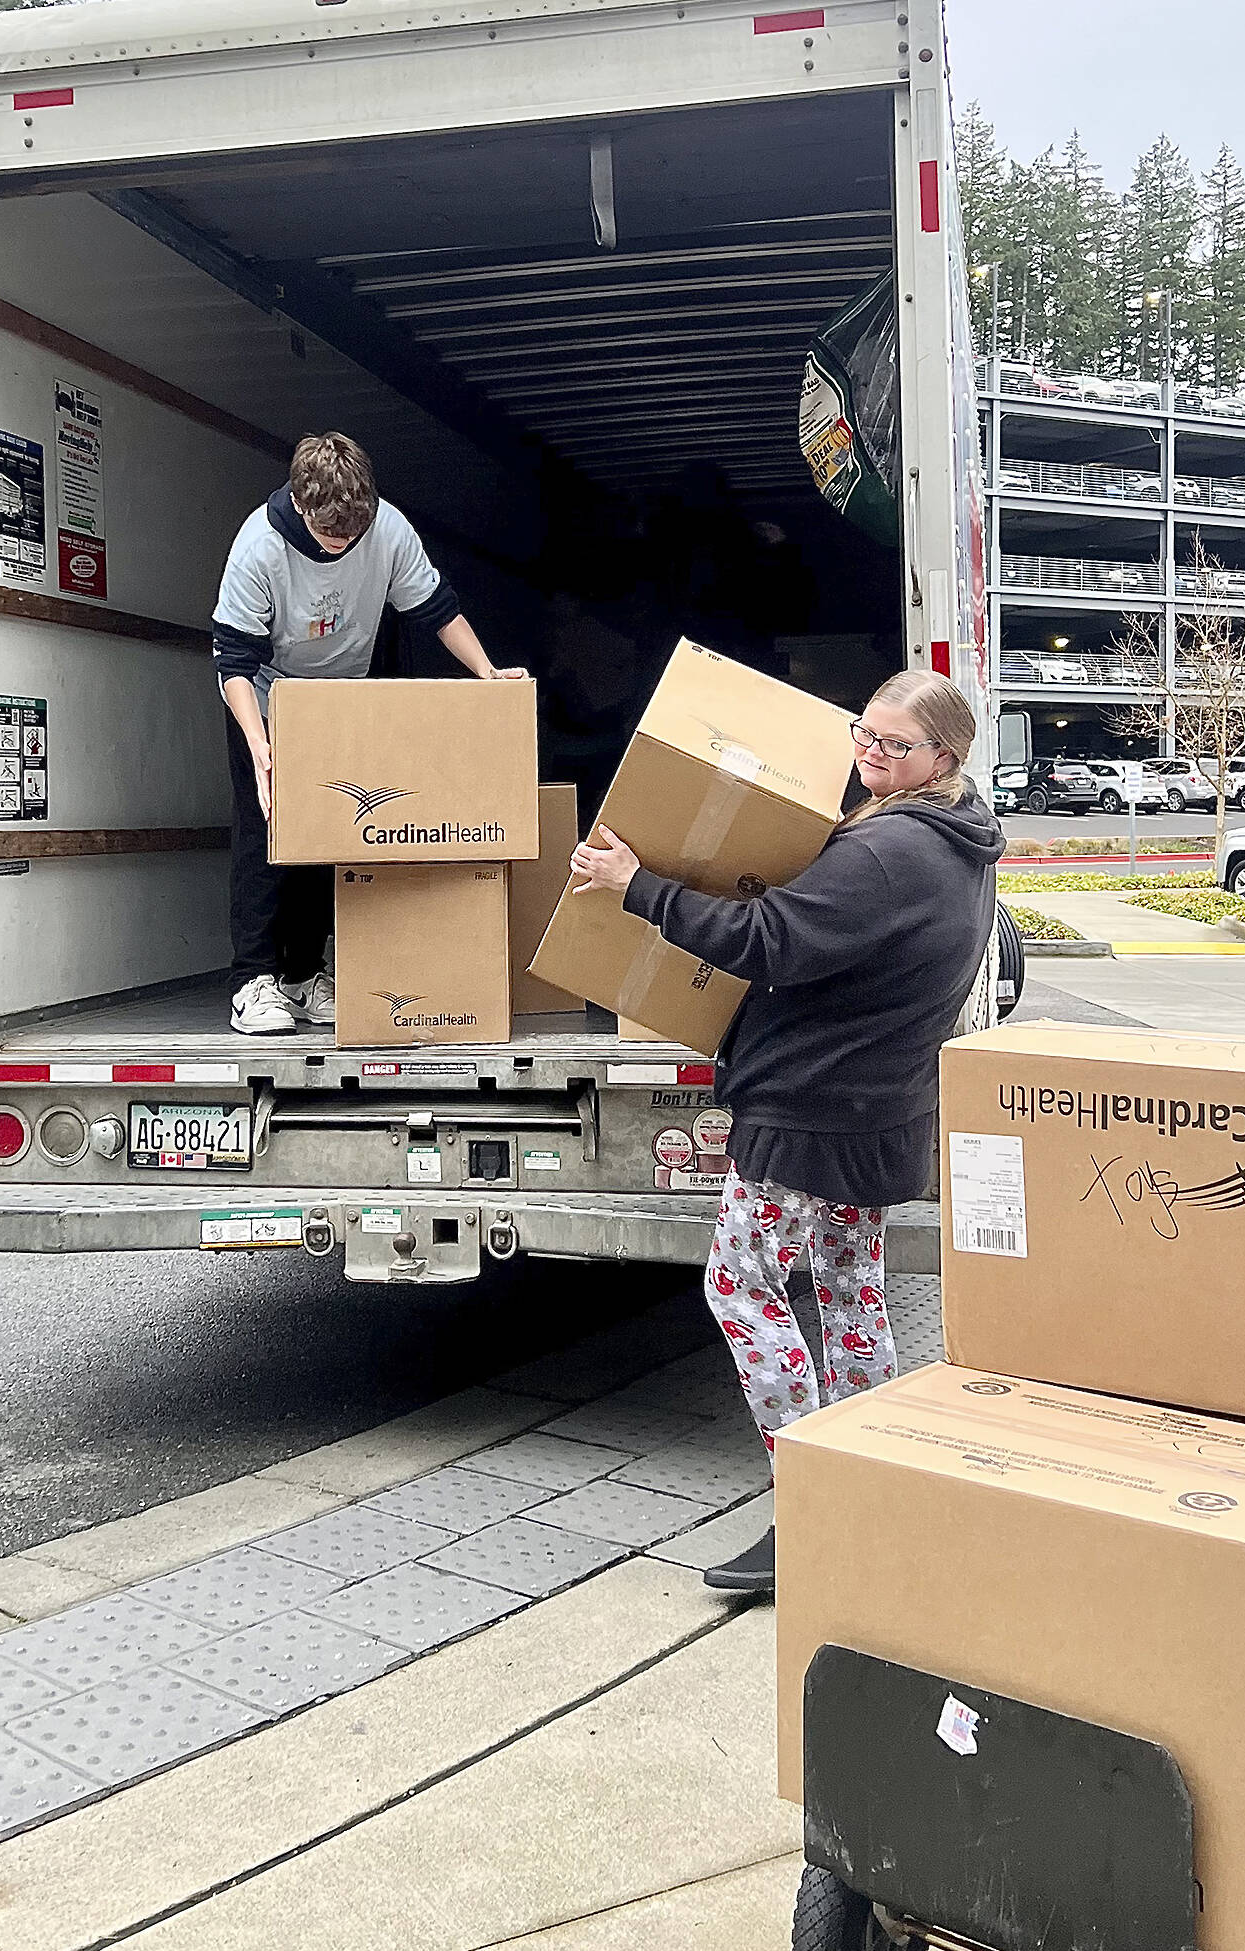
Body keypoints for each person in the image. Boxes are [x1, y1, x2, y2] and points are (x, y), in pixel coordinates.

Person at [570, 670, 1004, 1593]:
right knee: (852, 1296)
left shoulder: (891, 852)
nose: (869, 754)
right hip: (878, 1112)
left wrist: (634, 885)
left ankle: (809, 1501)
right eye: (865, 733)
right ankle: (872, 1485)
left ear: (945, 759)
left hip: (808, 1111)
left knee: (741, 1287)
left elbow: (769, 939)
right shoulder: (961, 843)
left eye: (894, 745)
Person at [212, 432, 526, 1036]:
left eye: (354, 535)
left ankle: (302, 977)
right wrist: (260, 746)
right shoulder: (259, 548)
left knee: (326, 837)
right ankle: (251, 981)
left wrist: (487, 672)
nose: (345, 545)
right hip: (267, 694)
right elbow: (234, 661)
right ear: (303, 506)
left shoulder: (385, 528)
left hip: (341, 701)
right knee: (267, 833)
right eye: (333, 537)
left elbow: (434, 607)